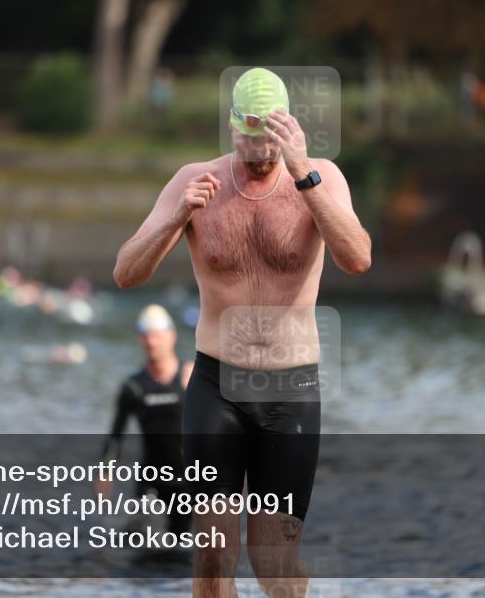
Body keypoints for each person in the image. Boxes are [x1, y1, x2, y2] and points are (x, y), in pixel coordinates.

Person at [114, 67, 371, 598]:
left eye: (271, 140)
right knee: (212, 557)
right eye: (250, 139)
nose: (260, 153)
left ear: (289, 128)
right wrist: (178, 216)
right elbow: (126, 273)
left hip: (290, 390)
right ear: (232, 128)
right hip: (216, 387)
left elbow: (357, 259)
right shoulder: (195, 180)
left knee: (274, 565)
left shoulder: (320, 176)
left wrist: (304, 174)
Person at [95, 304, 193, 534]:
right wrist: (105, 472)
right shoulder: (134, 386)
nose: (151, 342)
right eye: (146, 336)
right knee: (144, 541)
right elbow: (116, 435)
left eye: (157, 336)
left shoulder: (192, 376)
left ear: (171, 337)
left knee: (181, 546)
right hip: (150, 479)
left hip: (188, 479)